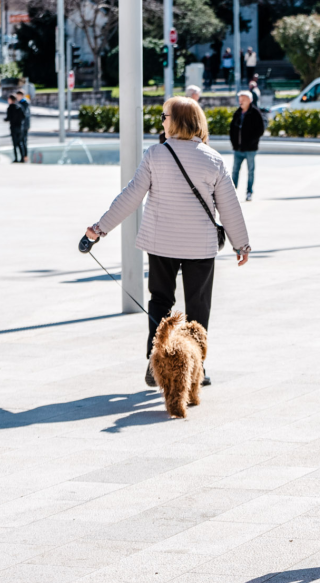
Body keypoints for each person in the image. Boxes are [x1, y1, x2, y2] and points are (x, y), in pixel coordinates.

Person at [85, 97, 250, 388]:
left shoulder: (155, 155)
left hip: (162, 243)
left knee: (160, 302)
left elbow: (130, 196)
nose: (161, 121)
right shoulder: (213, 159)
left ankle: (155, 364)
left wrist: (100, 229)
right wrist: (241, 244)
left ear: (177, 121)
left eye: (164, 116)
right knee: (198, 307)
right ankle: (196, 369)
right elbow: (230, 206)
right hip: (200, 246)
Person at [229, 90, 265, 201]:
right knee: (235, 171)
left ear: (249, 100)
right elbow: (232, 130)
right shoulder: (237, 113)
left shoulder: (255, 112)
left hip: (250, 149)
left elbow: (260, 130)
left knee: (250, 171)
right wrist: (234, 143)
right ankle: (232, 193)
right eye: (240, 99)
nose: (241, 102)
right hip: (238, 149)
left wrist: (251, 142)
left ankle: (249, 192)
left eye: (243, 99)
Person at [6, 94, 26, 162]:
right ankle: (22, 158)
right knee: (20, 143)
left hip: (13, 127)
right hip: (20, 127)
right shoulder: (19, 107)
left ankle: (16, 158)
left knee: (14, 144)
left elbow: (8, 118)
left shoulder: (10, 108)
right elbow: (24, 117)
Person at [15, 90, 31, 161]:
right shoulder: (19, 103)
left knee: (23, 141)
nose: (17, 97)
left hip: (24, 125)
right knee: (20, 141)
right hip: (20, 125)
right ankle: (22, 156)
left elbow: (25, 115)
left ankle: (25, 156)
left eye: (18, 96)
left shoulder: (24, 103)